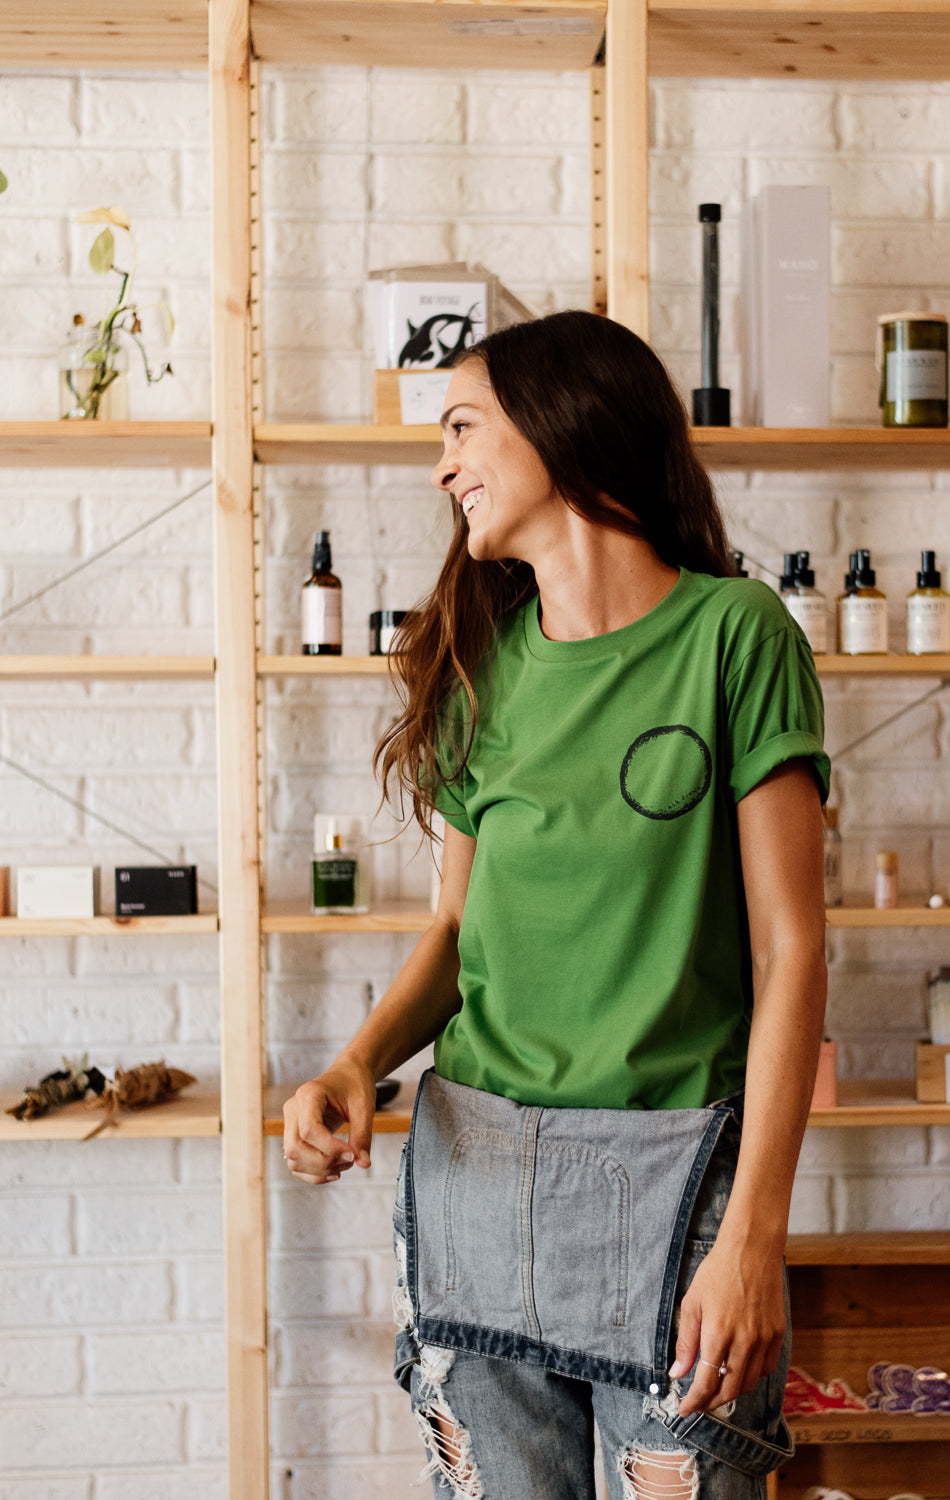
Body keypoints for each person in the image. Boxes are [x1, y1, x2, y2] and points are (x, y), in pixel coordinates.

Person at [282, 309, 829, 1500]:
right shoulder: (480, 665)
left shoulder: (735, 636)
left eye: (463, 427)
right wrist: (354, 1063)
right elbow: (455, 936)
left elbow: (793, 952)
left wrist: (755, 1239)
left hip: (679, 1191)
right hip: (475, 1180)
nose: (443, 466)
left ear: (562, 424)